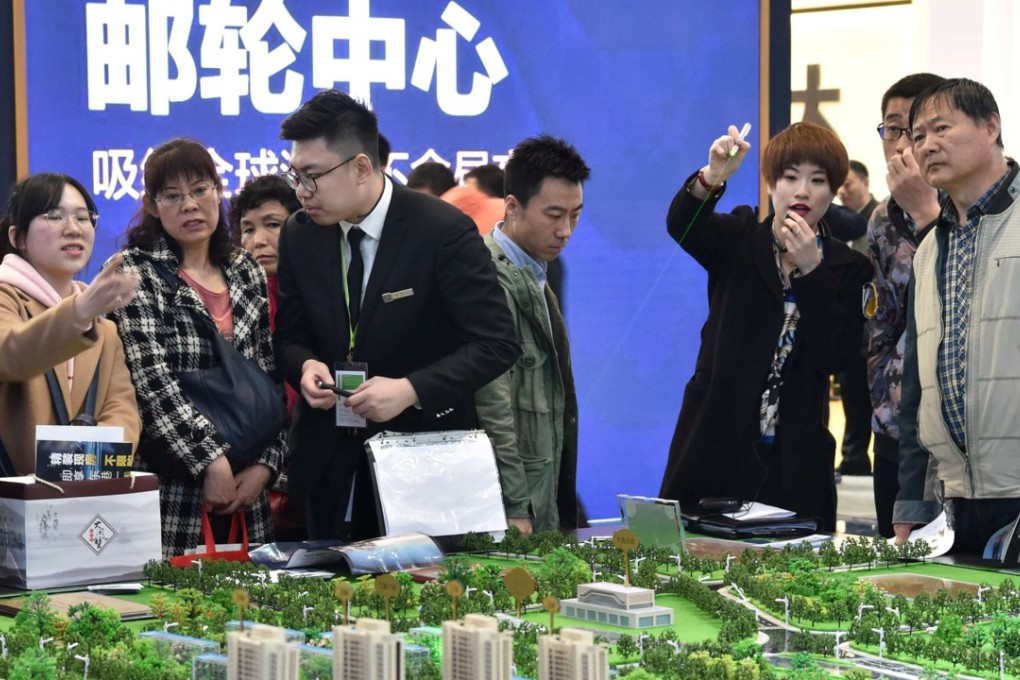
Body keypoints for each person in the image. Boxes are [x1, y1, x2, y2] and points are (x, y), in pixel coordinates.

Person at [274, 89, 519, 540]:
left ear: (362, 167)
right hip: (327, 464)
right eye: (295, 176)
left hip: (423, 460)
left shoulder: (441, 230)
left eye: (312, 177)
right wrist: (304, 365)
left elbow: (497, 342)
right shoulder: (300, 233)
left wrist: (411, 389)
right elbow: (289, 335)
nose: (301, 192)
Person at [658, 122, 873, 531]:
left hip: (795, 454)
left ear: (834, 191)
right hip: (716, 439)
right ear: (772, 184)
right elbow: (682, 226)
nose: (802, 191)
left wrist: (812, 270)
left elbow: (838, 354)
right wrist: (711, 176)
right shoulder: (739, 238)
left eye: (818, 180)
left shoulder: (849, 267)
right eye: (790, 177)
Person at [110, 138, 286, 558]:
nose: (189, 204)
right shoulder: (134, 272)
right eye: (172, 196)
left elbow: (269, 379)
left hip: (250, 485)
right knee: (175, 612)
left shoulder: (244, 269)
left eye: (200, 190)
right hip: (176, 486)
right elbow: (151, 384)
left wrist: (267, 465)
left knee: (253, 611)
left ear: (217, 192)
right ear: (152, 206)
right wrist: (211, 461)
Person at [894, 78, 1020, 553]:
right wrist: (912, 505)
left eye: (941, 128)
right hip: (957, 503)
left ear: (991, 126)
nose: (927, 145)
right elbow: (916, 392)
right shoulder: (928, 250)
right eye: (918, 135)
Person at [475, 134, 590, 535]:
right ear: (512, 206)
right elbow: (494, 407)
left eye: (575, 215)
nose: (566, 230)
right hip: (516, 506)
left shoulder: (535, 271)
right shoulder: (489, 278)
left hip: (540, 493)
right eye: (554, 214)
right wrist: (516, 506)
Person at [0, 173, 141, 474]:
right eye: (54, 216)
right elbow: (9, 354)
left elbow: (123, 412)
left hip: (79, 500)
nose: (73, 229)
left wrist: (84, 466)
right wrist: (78, 313)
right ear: (17, 237)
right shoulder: (6, 297)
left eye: (83, 217)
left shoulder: (103, 328)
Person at [865, 73, 945, 538]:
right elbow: (883, 324)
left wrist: (927, 213)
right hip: (896, 429)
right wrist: (881, 400)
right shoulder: (881, 218)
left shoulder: (976, 206)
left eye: (918, 130)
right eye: (892, 129)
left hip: (961, 441)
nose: (904, 144)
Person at [229, 174, 304, 540]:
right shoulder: (232, 301)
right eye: (247, 229)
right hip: (252, 486)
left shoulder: (319, 293)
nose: (257, 241)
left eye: (272, 225)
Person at [832, 159, 879, 477]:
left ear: (865, 182)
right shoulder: (839, 224)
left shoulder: (880, 218)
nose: (843, 191)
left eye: (848, 184)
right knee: (852, 394)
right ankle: (853, 458)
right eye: (840, 187)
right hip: (848, 325)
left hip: (876, 325)